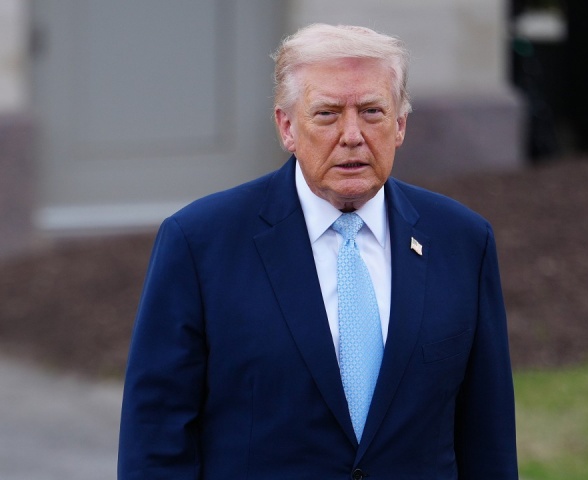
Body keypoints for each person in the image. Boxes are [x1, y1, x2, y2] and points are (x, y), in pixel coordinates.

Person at [118, 23, 518, 480]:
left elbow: (488, 440)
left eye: (372, 111)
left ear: (400, 125)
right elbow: (156, 438)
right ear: (287, 127)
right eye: (327, 114)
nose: (352, 135)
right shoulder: (199, 243)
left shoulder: (462, 241)